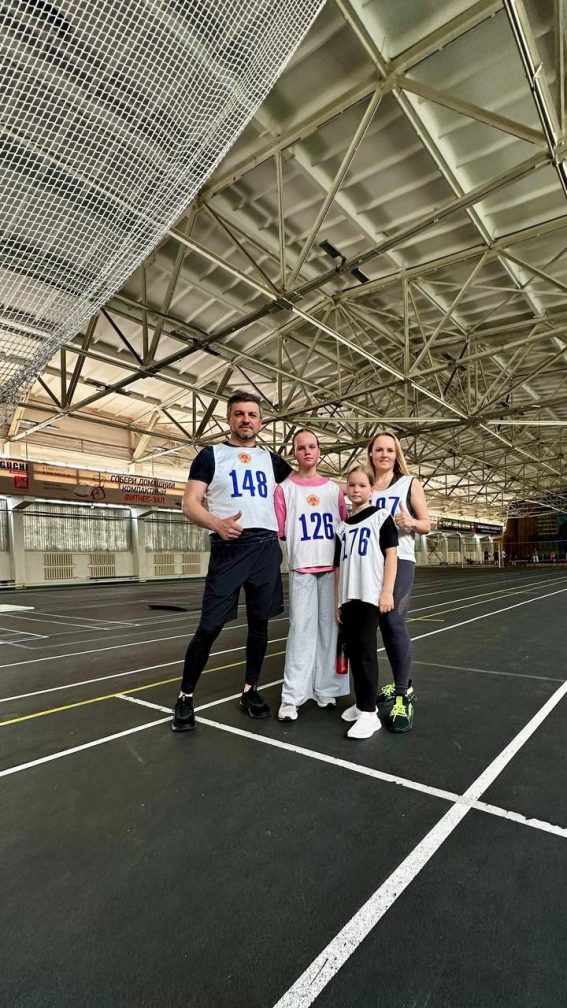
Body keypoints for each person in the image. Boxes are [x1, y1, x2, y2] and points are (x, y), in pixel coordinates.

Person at [172, 391, 292, 731]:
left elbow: (303, 487)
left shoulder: (272, 460)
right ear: (229, 419)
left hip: (265, 548)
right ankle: (185, 697)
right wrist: (217, 523)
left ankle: (250, 690)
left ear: (261, 422)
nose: (246, 419)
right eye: (239, 414)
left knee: (260, 624)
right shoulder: (211, 456)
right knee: (210, 626)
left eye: (252, 414)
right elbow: (190, 503)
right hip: (230, 546)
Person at [274, 429, 349, 722]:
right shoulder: (283, 490)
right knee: (300, 632)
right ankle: (292, 697)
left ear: (319, 451)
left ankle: (326, 689)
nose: (307, 451)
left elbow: (343, 528)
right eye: (301, 447)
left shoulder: (333, 490)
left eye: (312, 446)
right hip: (302, 568)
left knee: (330, 630)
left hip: (330, 568)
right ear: (295, 452)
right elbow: (282, 531)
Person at [367, 430, 431, 732]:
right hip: (370, 563)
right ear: (370, 453)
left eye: (390, 450)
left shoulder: (409, 483)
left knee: (393, 621)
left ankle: (403, 696)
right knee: (377, 624)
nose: (384, 454)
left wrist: (411, 523)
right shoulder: (365, 486)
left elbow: (427, 524)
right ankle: (400, 682)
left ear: (397, 455)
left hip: (401, 559)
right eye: (379, 449)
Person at [334, 464, 398, 739]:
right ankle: (361, 704)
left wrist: (387, 591)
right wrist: (337, 600)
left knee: (366, 651)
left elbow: (391, 555)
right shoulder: (342, 527)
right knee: (353, 651)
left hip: (370, 594)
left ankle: (370, 714)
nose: (356, 489)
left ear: (371, 489)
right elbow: (338, 566)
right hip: (348, 596)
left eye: (362, 485)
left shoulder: (381, 517)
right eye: (352, 485)